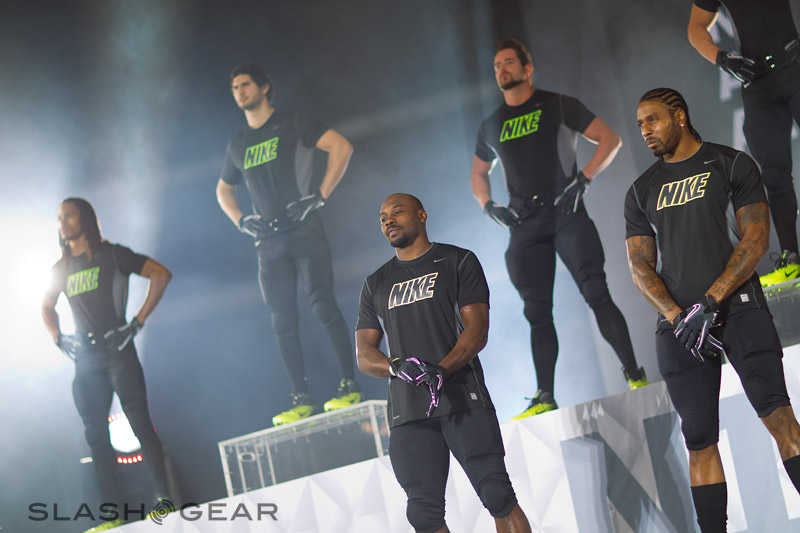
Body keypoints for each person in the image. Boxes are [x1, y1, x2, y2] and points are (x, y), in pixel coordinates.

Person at [626, 88, 800, 532]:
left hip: (739, 309)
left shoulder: (731, 164)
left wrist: (711, 301)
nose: (645, 130)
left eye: (652, 120)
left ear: (679, 116)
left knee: (779, 416)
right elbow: (640, 266)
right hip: (681, 327)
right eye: (640, 123)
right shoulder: (641, 190)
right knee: (699, 440)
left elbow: (756, 239)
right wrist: (676, 316)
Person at [470, 38, 648, 420]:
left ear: (527, 68)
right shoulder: (490, 124)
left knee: (596, 293)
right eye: (497, 65)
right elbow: (478, 173)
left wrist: (584, 179)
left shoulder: (559, 104)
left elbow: (610, 139)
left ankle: (635, 375)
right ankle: (545, 396)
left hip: (565, 210)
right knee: (536, 312)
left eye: (508, 62)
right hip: (524, 221)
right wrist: (488, 206)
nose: (501, 69)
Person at [355, 193, 531, 533]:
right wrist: (395, 366)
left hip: (463, 400)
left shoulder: (458, 261)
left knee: (497, 495)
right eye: (382, 217)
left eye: (397, 212)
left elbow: (477, 331)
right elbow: (364, 354)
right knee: (423, 515)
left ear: (422, 215)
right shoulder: (375, 283)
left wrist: (442, 370)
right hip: (408, 414)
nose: (388, 220)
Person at [216, 63, 359, 425]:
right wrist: (240, 220)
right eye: (234, 88)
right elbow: (223, 189)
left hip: (304, 230)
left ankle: (349, 385)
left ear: (264, 87)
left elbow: (341, 147)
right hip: (268, 242)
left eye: (245, 85)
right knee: (282, 321)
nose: (239, 91)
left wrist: (320, 196)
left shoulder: (293, 123)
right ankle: (301, 399)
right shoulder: (237, 143)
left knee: (323, 306)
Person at [41, 198, 173, 532]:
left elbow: (160, 274)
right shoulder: (60, 269)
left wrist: (136, 324)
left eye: (68, 215)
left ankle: (165, 502)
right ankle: (112, 516)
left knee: (140, 423)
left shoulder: (114, 255)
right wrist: (57, 337)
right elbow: (46, 305)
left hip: (118, 352)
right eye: (59, 217)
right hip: (86, 359)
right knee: (96, 435)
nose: (62, 222)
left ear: (85, 218)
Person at [688, 0, 800, 286]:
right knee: (774, 174)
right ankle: (792, 261)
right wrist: (722, 59)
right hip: (757, 81)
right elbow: (696, 27)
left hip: (794, 65)